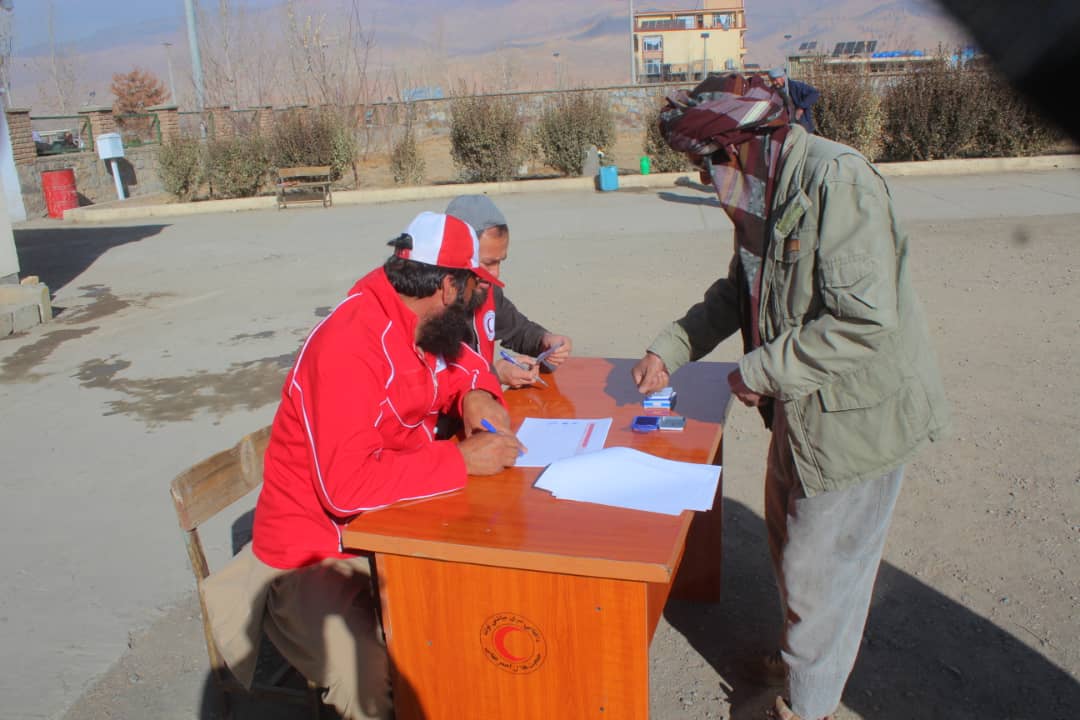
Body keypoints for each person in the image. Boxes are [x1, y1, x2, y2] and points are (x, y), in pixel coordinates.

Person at [633, 73, 950, 720]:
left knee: (820, 574)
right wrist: (670, 347)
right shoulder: (760, 193)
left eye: (705, 163)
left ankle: (806, 708)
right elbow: (737, 291)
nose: (703, 179)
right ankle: (802, 662)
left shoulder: (837, 182)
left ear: (744, 147)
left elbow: (863, 321)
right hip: (801, 415)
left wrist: (759, 370)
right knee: (788, 547)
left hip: (856, 420)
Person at [202, 211, 525, 720]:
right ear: (447, 285)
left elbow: (470, 367)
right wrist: (459, 458)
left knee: (472, 605)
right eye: (473, 287)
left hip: (386, 523)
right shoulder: (349, 346)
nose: (478, 299)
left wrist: (480, 396)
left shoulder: (422, 321)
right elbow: (346, 490)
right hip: (310, 550)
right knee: (366, 676)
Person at [445, 194, 572, 388]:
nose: (495, 273)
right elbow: (432, 381)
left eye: (499, 261)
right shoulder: (428, 306)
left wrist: (545, 341)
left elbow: (517, 328)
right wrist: (495, 373)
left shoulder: (486, 290)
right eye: (487, 263)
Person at [767, 67, 820, 134]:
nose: (774, 83)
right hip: (784, 127)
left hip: (802, 125)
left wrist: (801, 107)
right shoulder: (772, 91)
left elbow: (814, 93)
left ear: (782, 78)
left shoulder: (796, 86)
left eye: (775, 80)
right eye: (772, 80)